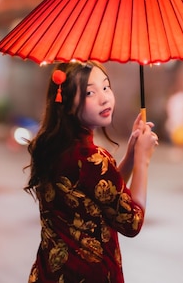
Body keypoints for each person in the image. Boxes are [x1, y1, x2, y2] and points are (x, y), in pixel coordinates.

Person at [25, 61, 158, 283]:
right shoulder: (92, 159)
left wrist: (131, 156)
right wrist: (143, 162)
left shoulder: (52, 147)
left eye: (106, 87)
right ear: (67, 103)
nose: (104, 98)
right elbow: (131, 222)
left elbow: (100, 194)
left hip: (50, 274)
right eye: (90, 92)